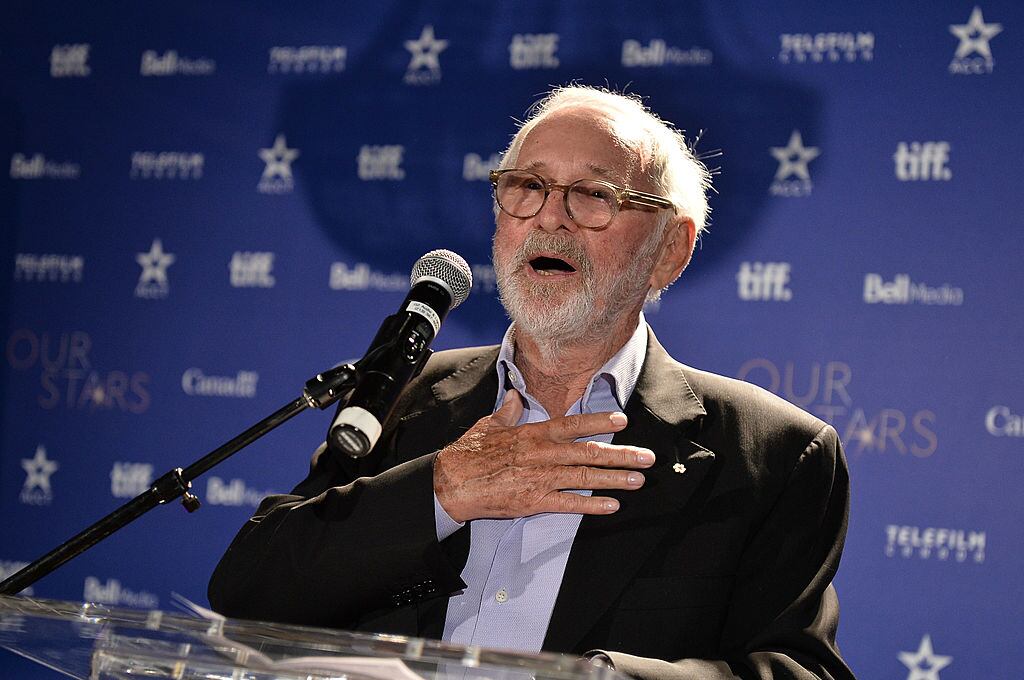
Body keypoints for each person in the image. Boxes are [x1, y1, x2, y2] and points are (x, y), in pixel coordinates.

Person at [209, 85, 855, 680]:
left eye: (595, 196)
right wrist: (441, 490)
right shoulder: (405, 391)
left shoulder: (776, 455)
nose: (550, 218)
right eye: (528, 187)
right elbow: (249, 585)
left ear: (670, 250)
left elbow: (801, 672)